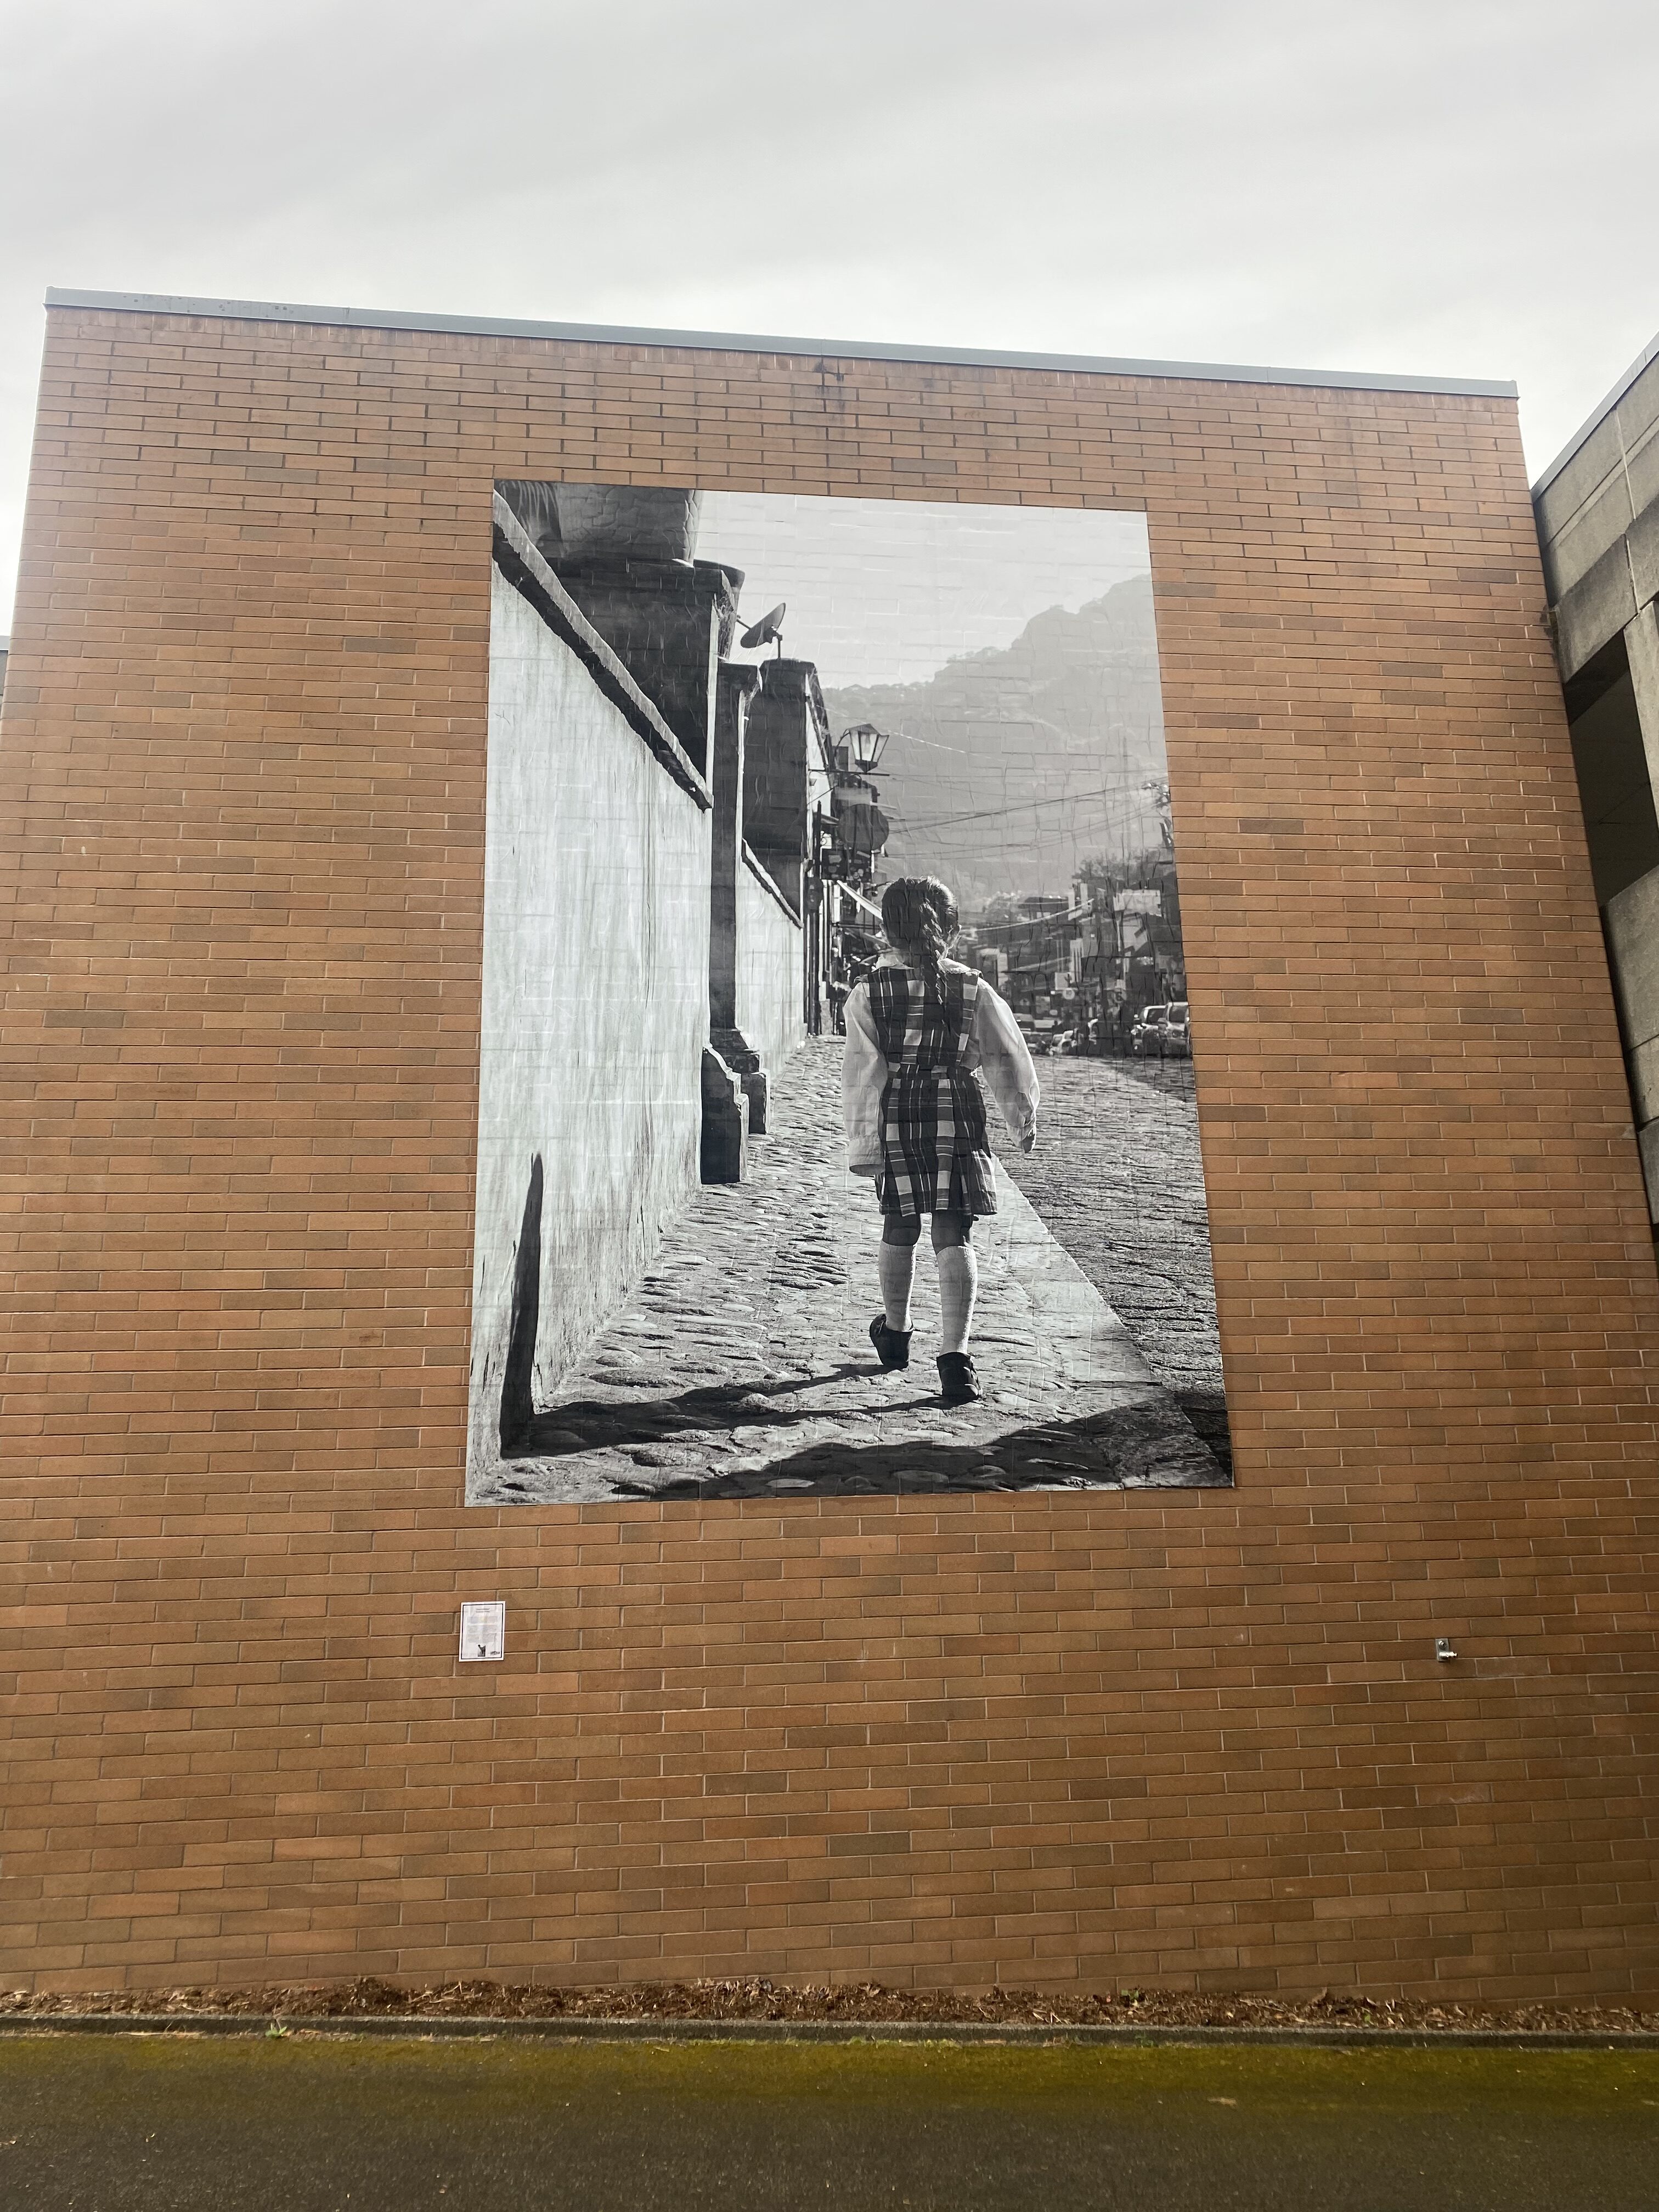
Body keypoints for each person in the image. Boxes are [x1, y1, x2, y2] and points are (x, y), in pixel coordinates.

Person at [842, 877, 1039, 1406]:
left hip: (900, 1110)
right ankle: (956, 1358)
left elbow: (864, 1074)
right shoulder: (975, 987)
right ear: (951, 929)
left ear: (887, 930)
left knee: (899, 1223)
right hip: (958, 1108)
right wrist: (1021, 1119)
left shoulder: (868, 992)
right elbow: (1006, 1059)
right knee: (955, 1231)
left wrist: (865, 1145)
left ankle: (897, 1335)